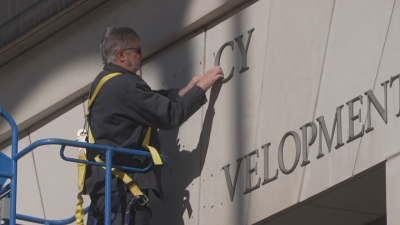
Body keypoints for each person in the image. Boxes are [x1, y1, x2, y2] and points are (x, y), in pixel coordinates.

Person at [84, 26, 224, 225]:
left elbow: (147, 101)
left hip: (105, 195)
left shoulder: (101, 84)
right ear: (120, 54)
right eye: (137, 50)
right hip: (124, 198)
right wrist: (202, 88)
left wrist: (183, 92)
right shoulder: (127, 84)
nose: (142, 54)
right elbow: (170, 115)